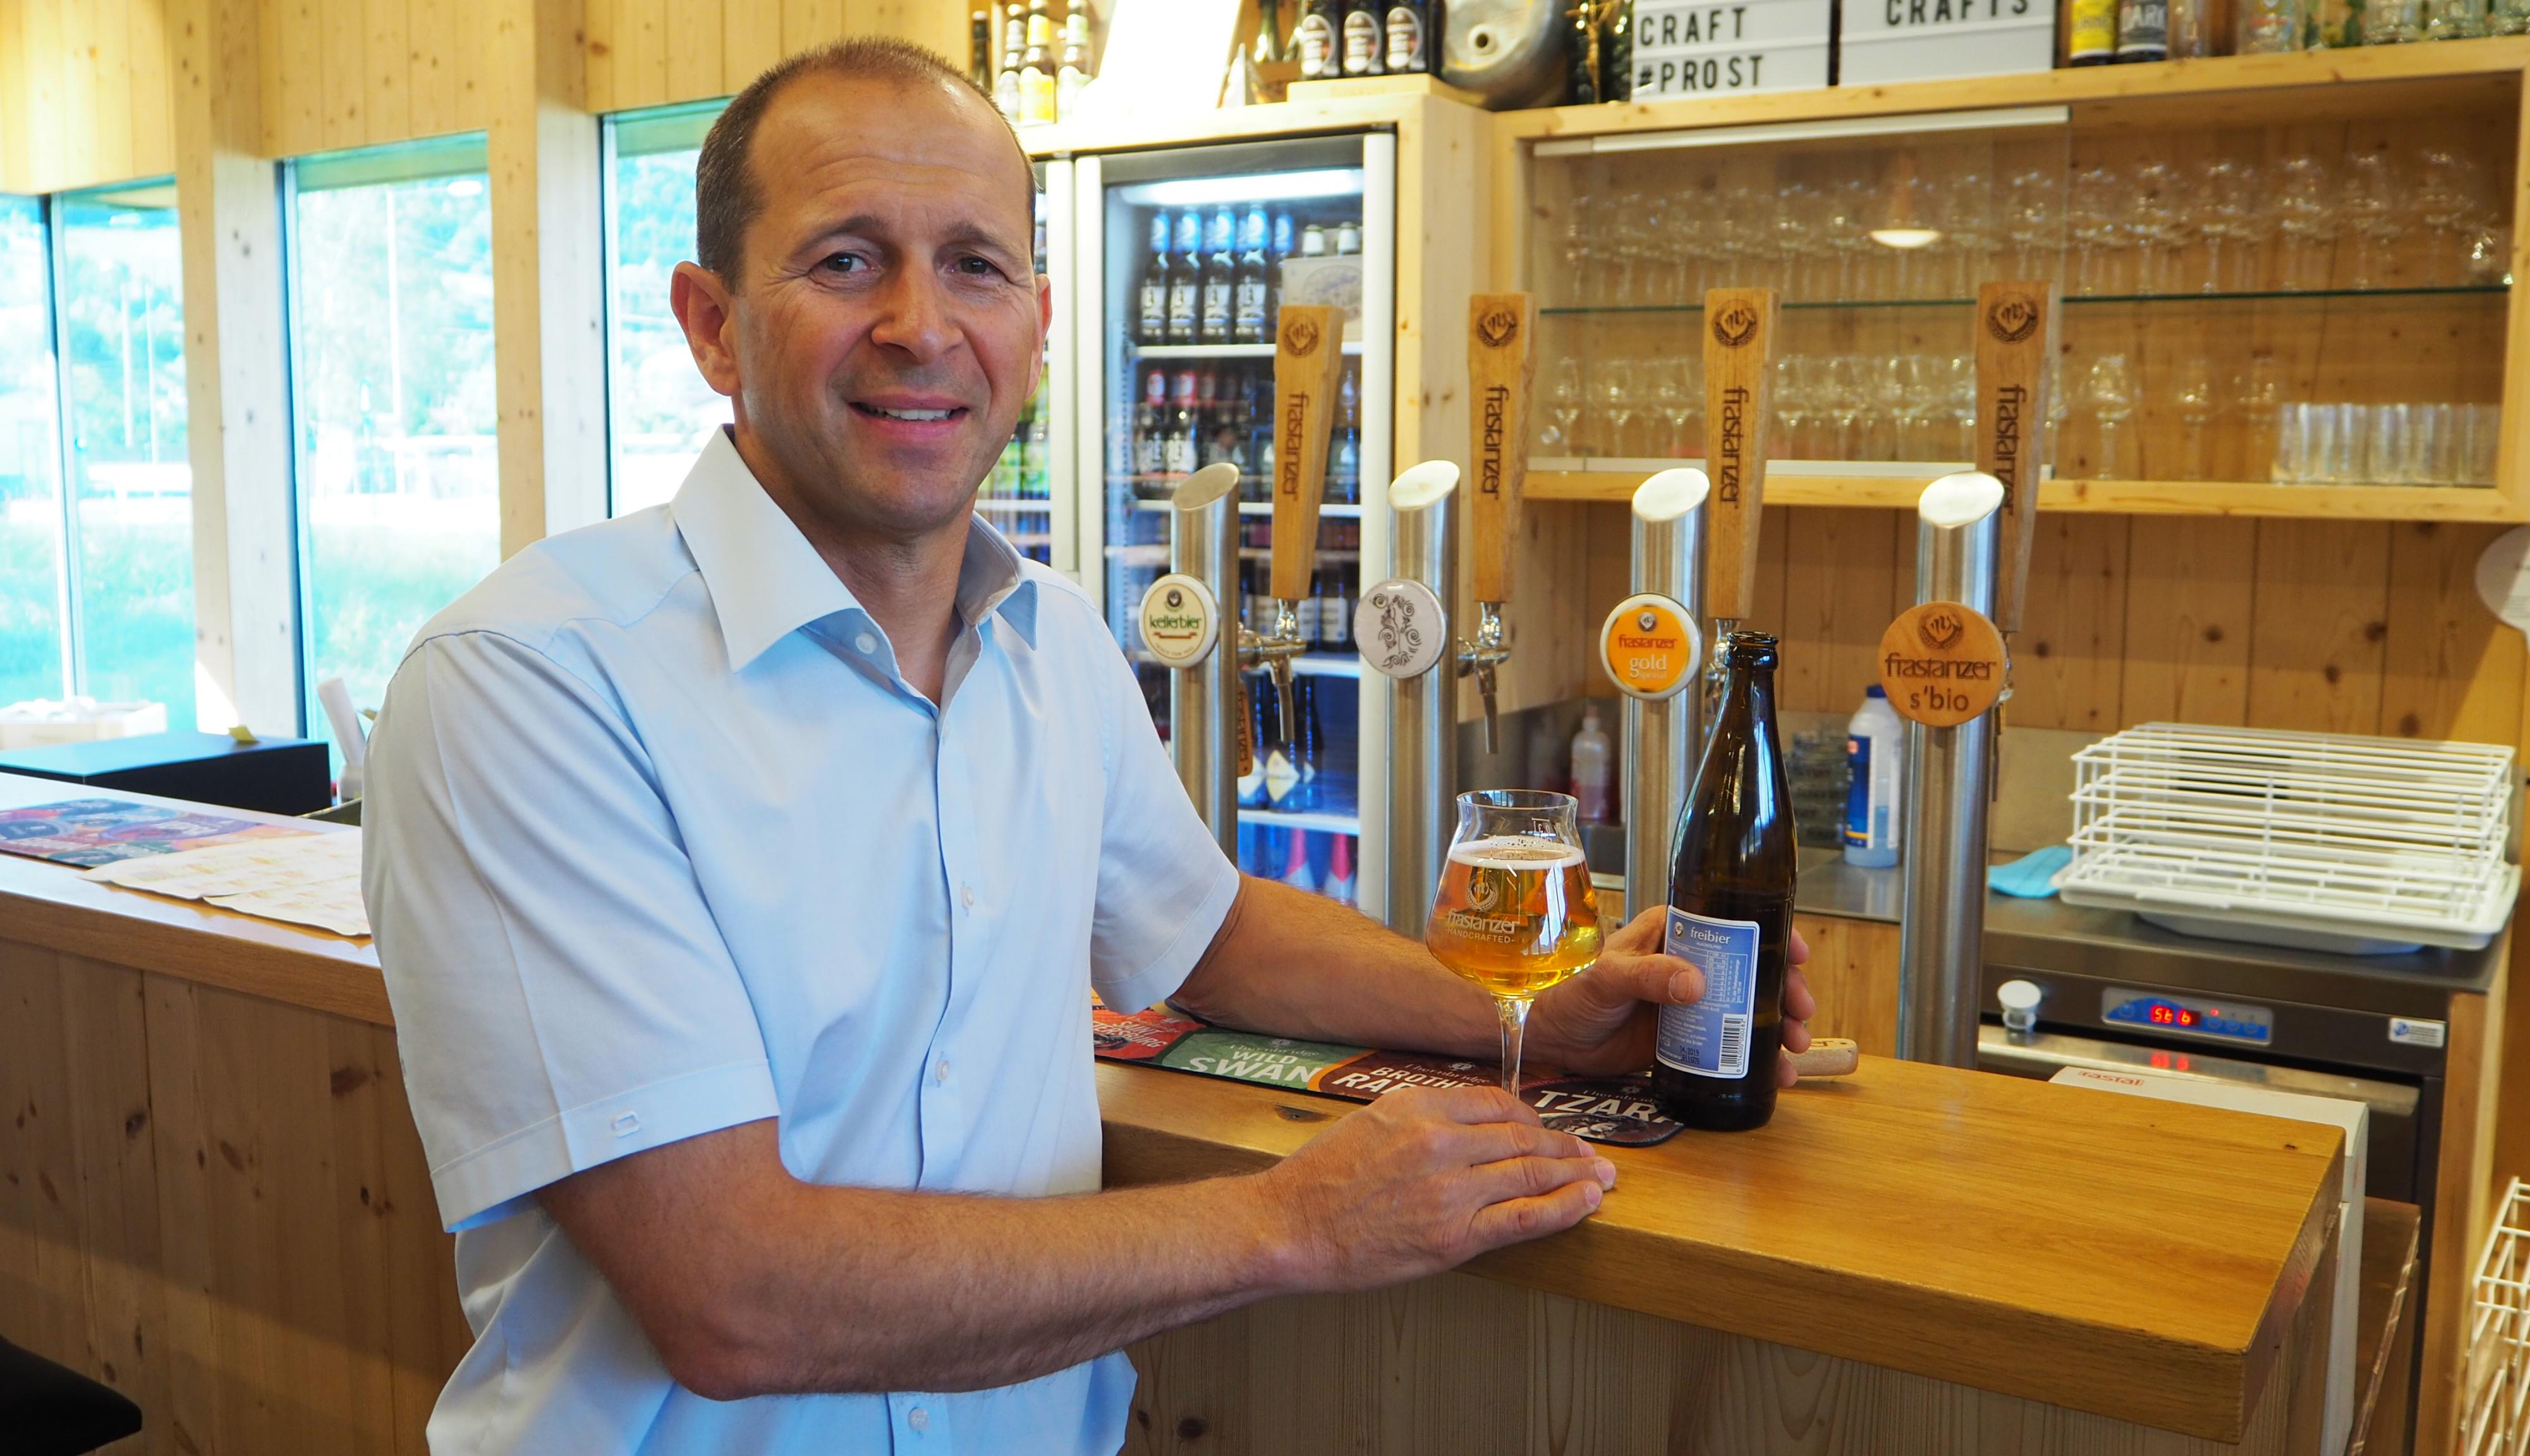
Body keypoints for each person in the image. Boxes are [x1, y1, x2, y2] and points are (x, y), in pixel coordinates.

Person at [360, 37, 1815, 1456]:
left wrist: (1530, 1020)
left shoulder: (1051, 639)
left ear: (1038, 324)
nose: (922, 325)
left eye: (975, 267)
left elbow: (1210, 936)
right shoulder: (529, 684)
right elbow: (733, 1293)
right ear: (710, 323)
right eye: (846, 261)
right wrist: (1292, 1221)